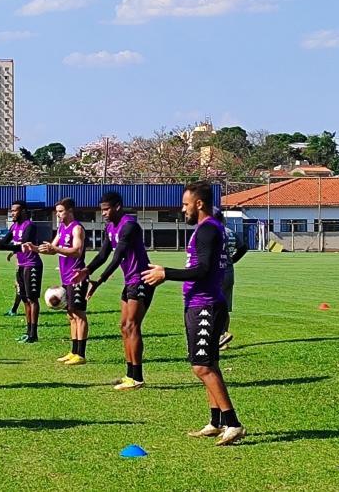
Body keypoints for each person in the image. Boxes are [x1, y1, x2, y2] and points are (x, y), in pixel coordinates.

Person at [142, 181, 246, 446]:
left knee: (201, 366)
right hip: (202, 304)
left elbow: (203, 271)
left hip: (206, 305)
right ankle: (216, 422)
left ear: (199, 204)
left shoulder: (208, 230)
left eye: (186, 204)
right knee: (209, 364)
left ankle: (233, 423)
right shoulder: (208, 229)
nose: (182, 209)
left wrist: (166, 273)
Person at [73, 191, 153, 390]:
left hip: (141, 279)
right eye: (102, 210)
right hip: (130, 281)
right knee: (124, 326)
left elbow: (117, 258)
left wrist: (98, 282)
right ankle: (129, 375)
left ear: (117, 206)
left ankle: (137, 377)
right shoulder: (110, 227)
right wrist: (87, 270)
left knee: (132, 325)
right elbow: (103, 254)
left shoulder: (129, 226)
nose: (104, 213)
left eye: (107, 209)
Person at [36, 198, 88, 365]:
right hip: (65, 277)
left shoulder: (77, 228)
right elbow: (52, 248)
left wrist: (55, 249)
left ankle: (81, 354)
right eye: (57, 211)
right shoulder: (61, 228)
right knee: (70, 315)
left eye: (60, 211)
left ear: (70, 211)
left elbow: (77, 251)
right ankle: (73, 351)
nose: (57, 214)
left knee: (79, 315)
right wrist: (35, 249)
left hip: (77, 277)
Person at [0, 201, 43, 343]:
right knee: (24, 298)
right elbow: (6, 241)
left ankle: (33, 334)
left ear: (23, 211)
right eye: (11, 211)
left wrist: (1, 246)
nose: (12, 213)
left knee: (32, 299)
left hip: (32, 265)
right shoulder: (14, 226)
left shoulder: (29, 226)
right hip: (22, 265)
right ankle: (28, 330)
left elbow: (22, 246)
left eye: (15, 210)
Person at [213, 208, 248, 350]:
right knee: (225, 307)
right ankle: (223, 337)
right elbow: (243, 248)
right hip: (228, 272)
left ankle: (218, 337)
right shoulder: (231, 232)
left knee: (211, 306)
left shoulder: (212, 233)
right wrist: (232, 260)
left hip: (215, 273)